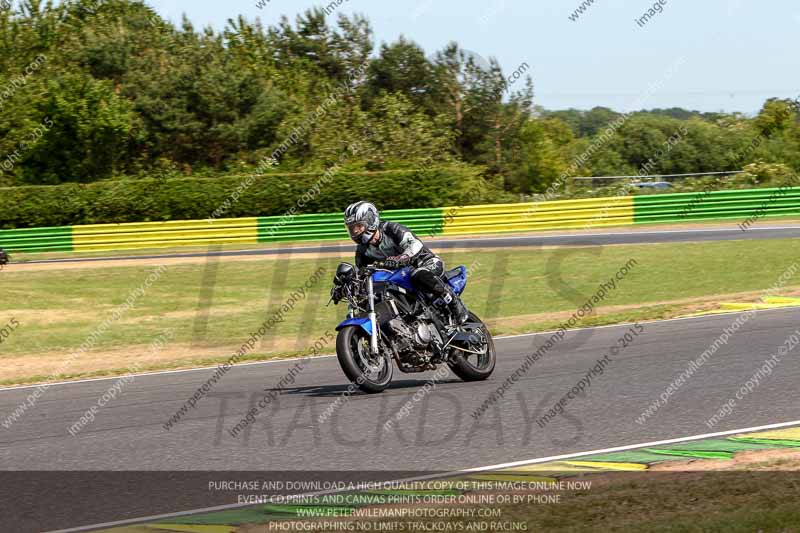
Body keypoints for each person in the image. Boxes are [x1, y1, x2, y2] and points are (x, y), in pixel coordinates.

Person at [342, 201, 468, 325]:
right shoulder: (362, 250)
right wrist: (345, 286)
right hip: (399, 277)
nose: (355, 232)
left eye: (358, 227)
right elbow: (361, 274)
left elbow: (415, 244)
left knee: (418, 275)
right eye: (352, 229)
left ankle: (454, 303)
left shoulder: (391, 229)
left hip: (424, 263)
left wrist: (400, 258)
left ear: (370, 221)